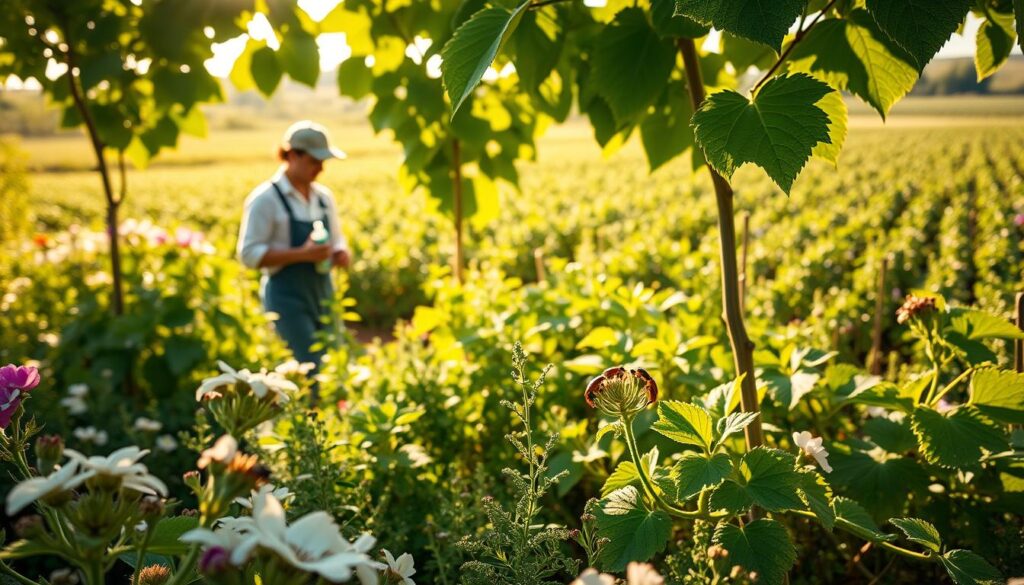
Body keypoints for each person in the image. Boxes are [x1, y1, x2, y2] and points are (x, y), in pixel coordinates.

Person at [237, 121, 350, 396]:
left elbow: (337, 237)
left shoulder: (323, 198)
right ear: (292, 155)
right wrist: (302, 255)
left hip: (322, 291)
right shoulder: (266, 200)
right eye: (314, 161)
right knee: (306, 369)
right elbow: (248, 255)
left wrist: (340, 252)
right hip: (286, 296)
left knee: (336, 362)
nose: (320, 169)